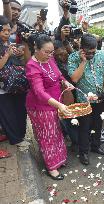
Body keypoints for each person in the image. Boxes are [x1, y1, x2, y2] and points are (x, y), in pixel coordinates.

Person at [26, 34, 73, 180]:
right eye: (46, 52)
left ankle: (59, 159)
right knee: (47, 136)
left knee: (56, 132)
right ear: (36, 49)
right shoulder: (31, 66)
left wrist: (66, 82)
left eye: (51, 52)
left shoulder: (50, 58)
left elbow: (58, 76)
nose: (50, 55)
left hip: (54, 102)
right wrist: (59, 104)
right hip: (40, 106)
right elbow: (39, 92)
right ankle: (51, 167)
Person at [67, 34, 104, 165]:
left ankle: (96, 146)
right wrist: (83, 61)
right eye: (89, 52)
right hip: (83, 100)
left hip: (99, 98)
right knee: (85, 127)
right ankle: (84, 152)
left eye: (94, 52)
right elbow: (74, 79)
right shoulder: (73, 58)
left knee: (98, 124)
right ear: (82, 49)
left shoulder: (101, 55)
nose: (92, 54)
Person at [0, 15, 29, 148]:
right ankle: (16, 139)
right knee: (8, 114)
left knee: (20, 110)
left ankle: (20, 136)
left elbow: (21, 62)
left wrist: (18, 53)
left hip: (17, 84)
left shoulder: (9, 44)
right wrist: (7, 54)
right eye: (4, 30)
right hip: (3, 88)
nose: (7, 33)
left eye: (8, 30)